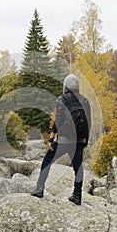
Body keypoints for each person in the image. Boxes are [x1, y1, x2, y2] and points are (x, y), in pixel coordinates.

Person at [31, 74, 91, 205]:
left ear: (66, 86)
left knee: (47, 161)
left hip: (64, 140)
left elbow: (59, 120)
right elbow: (88, 121)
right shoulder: (85, 100)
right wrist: (85, 141)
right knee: (78, 168)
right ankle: (77, 196)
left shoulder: (62, 99)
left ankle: (39, 189)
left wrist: (52, 138)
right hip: (79, 140)